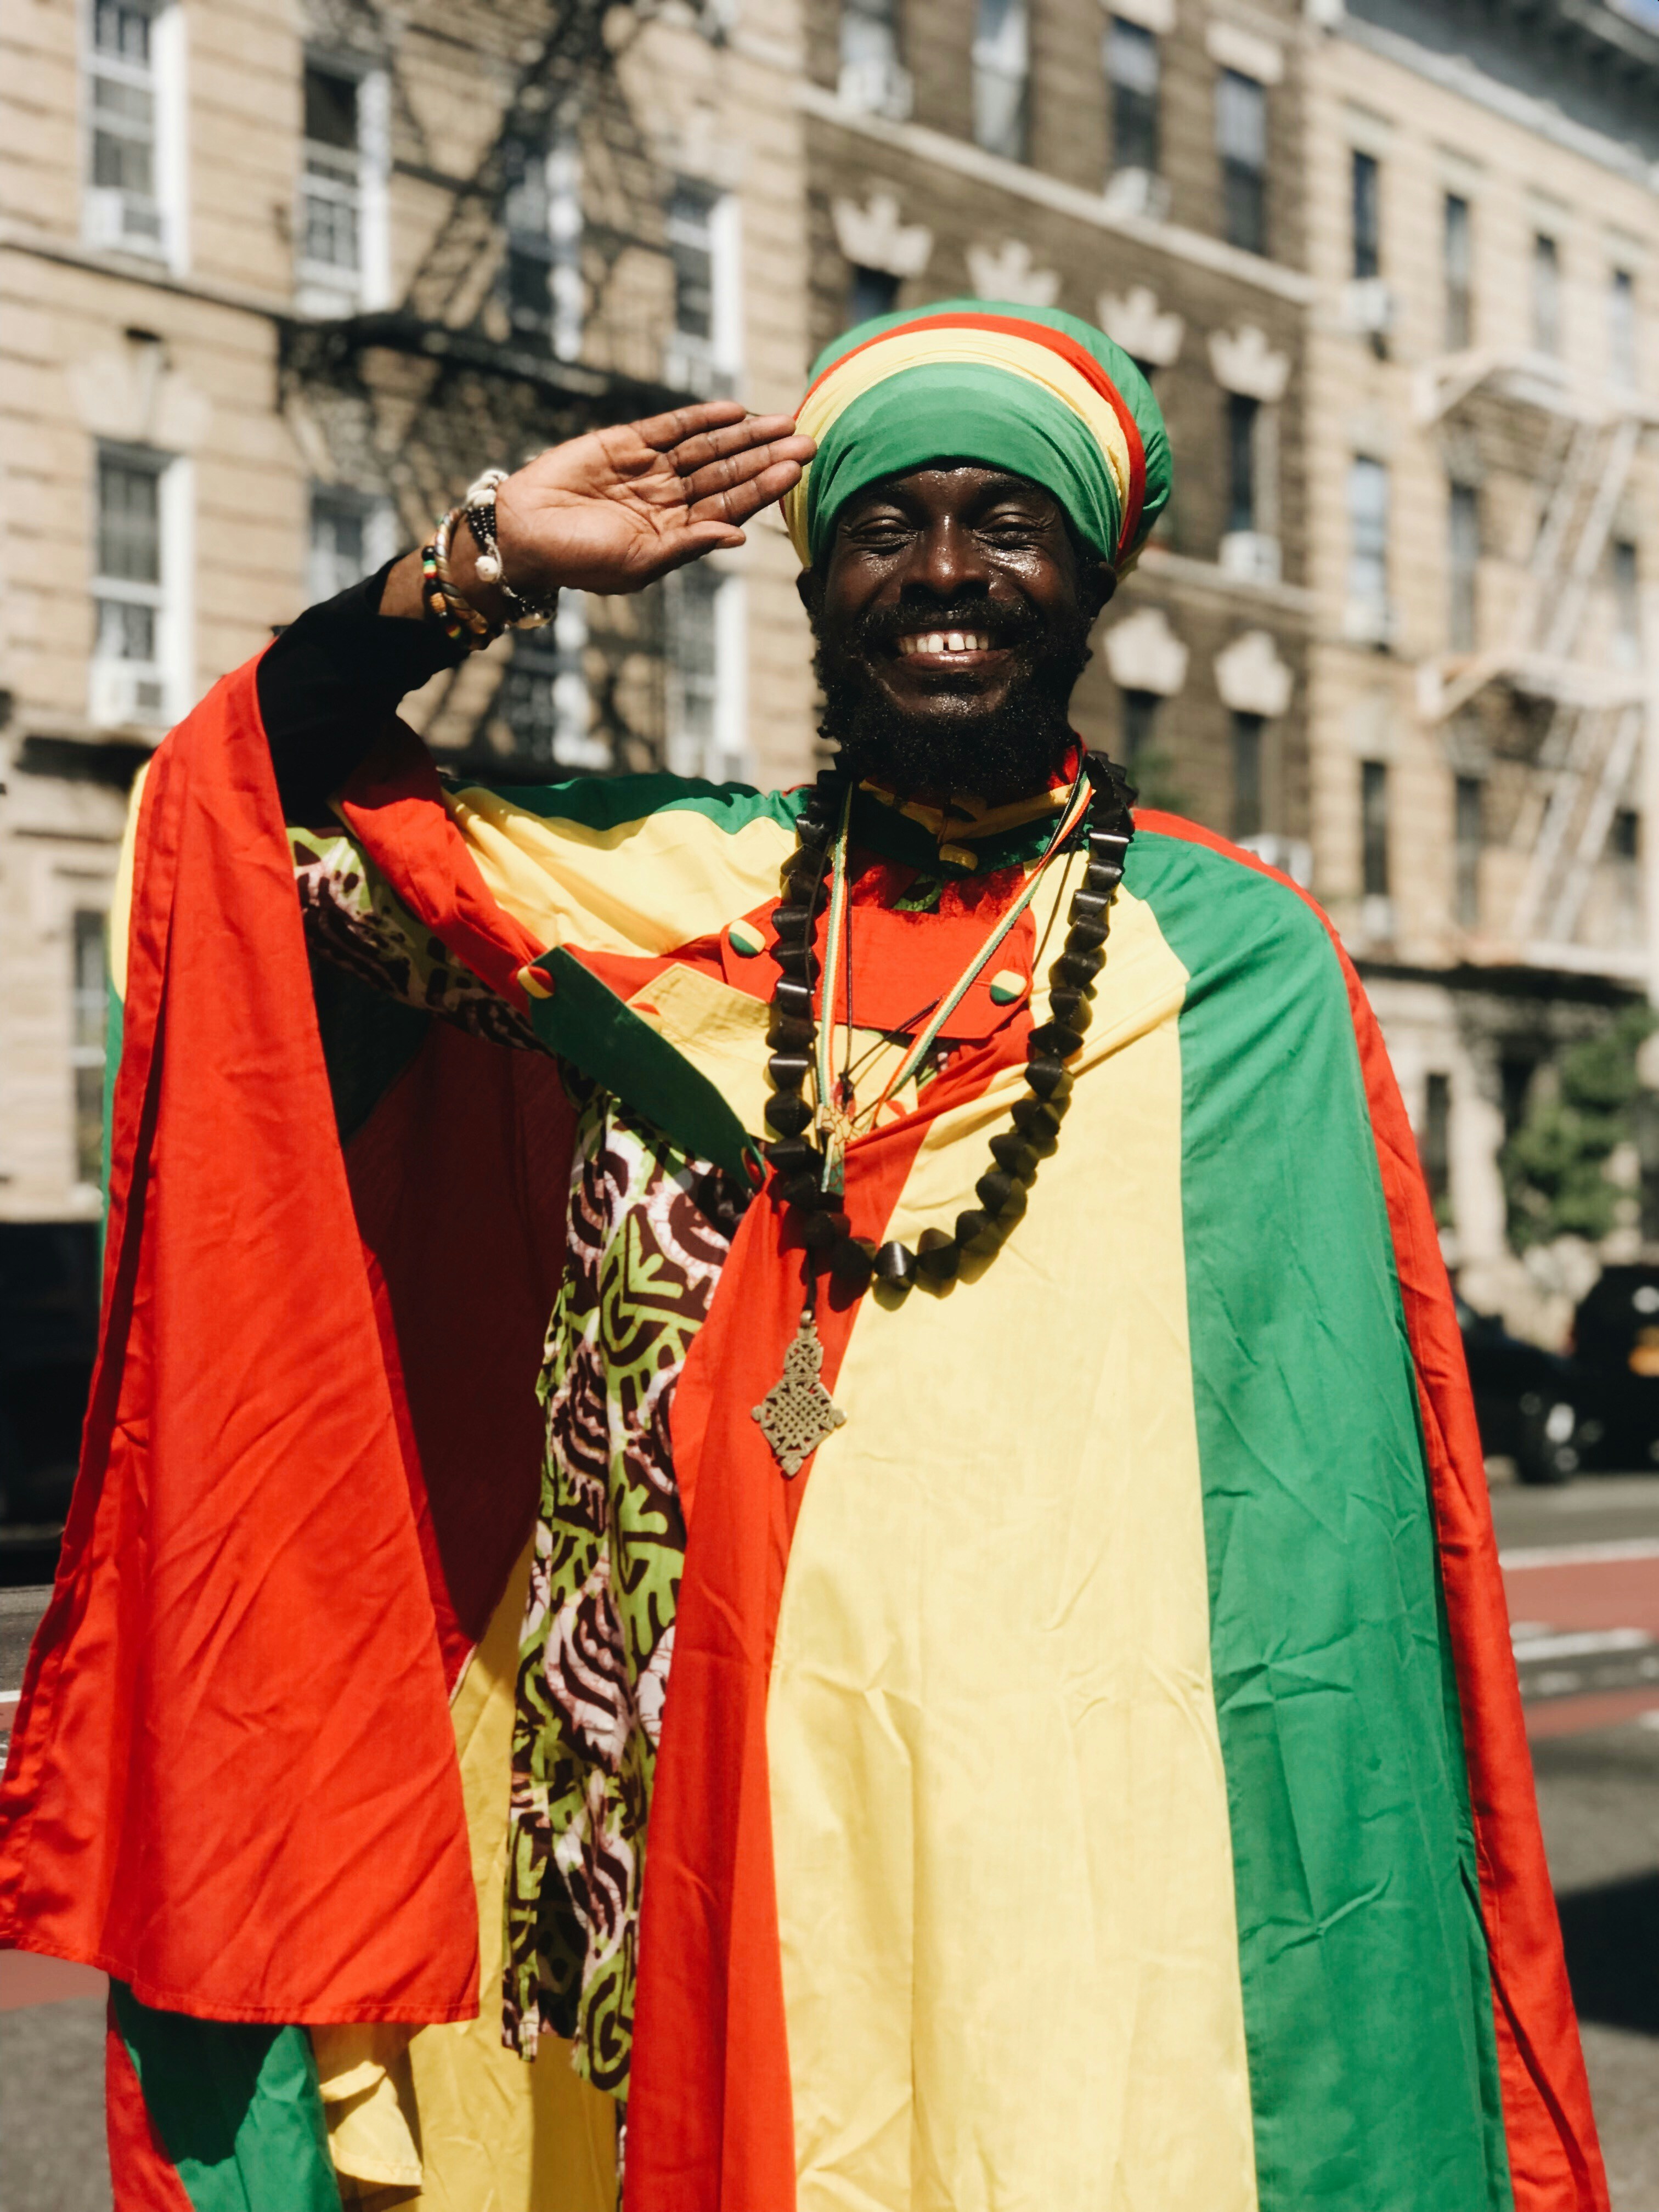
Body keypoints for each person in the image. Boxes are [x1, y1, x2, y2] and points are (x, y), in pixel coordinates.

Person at [0, 302, 1606, 2212]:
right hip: (670, 1814)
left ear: (1090, 576)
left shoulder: (1241, 970)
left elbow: (1335, 1525)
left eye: (1006, 524)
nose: (944, 573)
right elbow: (257, 813)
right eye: (886, 525)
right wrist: (484, 564)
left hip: (1078, 1867)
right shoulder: (649, 895)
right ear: (821, 578)